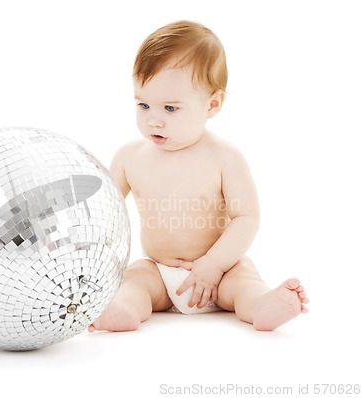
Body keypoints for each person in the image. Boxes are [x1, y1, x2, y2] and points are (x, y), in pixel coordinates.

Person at [88, 20, 308, 333]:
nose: (154, 120)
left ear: (213, 104)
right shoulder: (129, 157)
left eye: (170, 108)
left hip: (221, 273)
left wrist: (214, 265)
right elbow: (104, 211)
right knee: (136, 278)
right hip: (162, 273)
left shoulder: (224, 157)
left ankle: (263, 304)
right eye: (144, 104)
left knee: (244, 281)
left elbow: (246, 217)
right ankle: (120, 308)